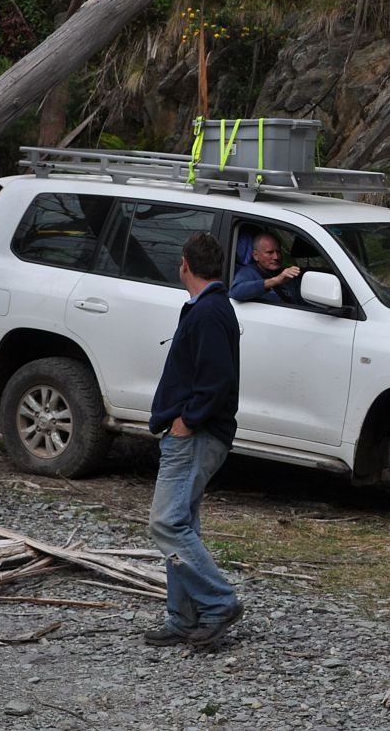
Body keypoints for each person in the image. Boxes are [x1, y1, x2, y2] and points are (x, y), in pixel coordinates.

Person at [144, 231, 245, 648]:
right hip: (195, 432)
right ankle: (182, 617)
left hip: (196, 435)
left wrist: (187, 421)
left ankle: (219, 602)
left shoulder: (208, 313)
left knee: (165, 523)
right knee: (182, 525)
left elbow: (216, 379)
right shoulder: (208, 308)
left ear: (184, 263)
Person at [229, 230, 301, 303]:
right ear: (255, 255)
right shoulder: (248, 272)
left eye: (278, 252)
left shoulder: (286, 275)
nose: (276, 257)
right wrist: (275, 281)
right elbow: (235, 292)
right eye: (270, 252)